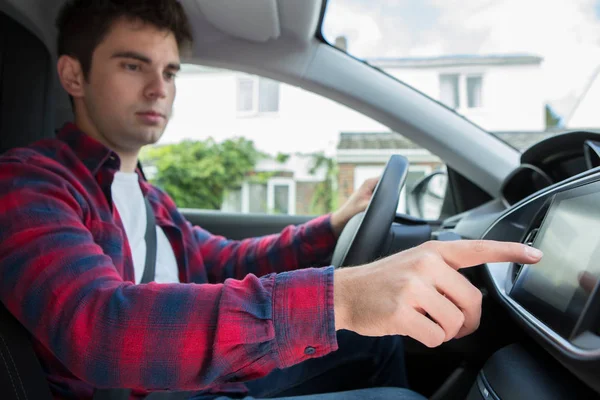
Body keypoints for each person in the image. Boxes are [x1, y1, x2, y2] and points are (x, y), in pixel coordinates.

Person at [0, 1, 543, 399]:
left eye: (169, 71)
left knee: (374, 345)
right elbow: (103, 329)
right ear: (74, 74)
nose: (158, 88)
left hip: (193, 378)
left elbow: (221, 261)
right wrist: (341, 299)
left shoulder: (148, 197)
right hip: (146, 391)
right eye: (132, 64)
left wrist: (333, 225)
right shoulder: (28, 184)